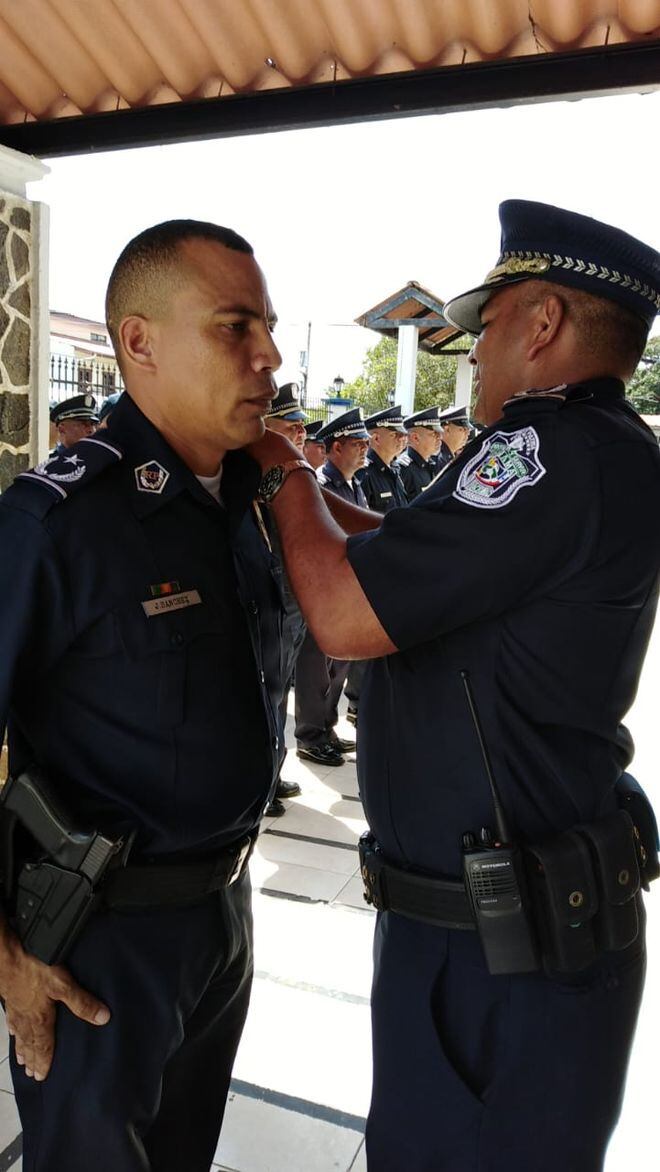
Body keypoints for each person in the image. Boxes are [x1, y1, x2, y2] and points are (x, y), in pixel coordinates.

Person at [245, 200, 660, 1171]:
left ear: (545, 321)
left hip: (499, 952)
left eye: (489, 322)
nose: (471, 350)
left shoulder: (546, 451)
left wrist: (278, 474)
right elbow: (406, 551)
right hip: (499, 926)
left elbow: (348, 616)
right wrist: (312, 486)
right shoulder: (593, 450)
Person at [0, 219, 285, 1172]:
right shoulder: (61, 521)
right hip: (98, 947)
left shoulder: (247, 500)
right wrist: (6, 957)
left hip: (221, 918)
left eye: (268, 326)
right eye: (234, 326)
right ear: (138, 342)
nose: (270, 354)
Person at [293, 407, 368, 766]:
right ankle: (310, 734)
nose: (365, 448)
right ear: (335, 448)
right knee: (315, 666)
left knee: (338, 666)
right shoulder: (321, 485)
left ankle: (327, 727)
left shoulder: (354, 485)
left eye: (367, 442)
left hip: (345, 589)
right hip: (322, 589)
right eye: (358, 443)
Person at [262, 382, 309, 814]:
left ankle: (273, 771)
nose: (300, 434)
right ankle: (263, 780)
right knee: (266, 690)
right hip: (268, 598)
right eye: (290, 426)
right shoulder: (255, 479)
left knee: (282, 690)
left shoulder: (294, 478)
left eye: (302, 428)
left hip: (291, 599)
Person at [346, 404, 408, 723]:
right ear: (377, 436)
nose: (403, 440)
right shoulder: (367, 475)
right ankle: (355, 702)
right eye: (396, 434)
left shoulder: (393, 472)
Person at [398, 405, 443, 500]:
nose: (440, 438)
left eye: (439, 433)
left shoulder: (430, 465)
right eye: (434, 434)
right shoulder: (404, 469)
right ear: (415, 438)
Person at [434, 404, 472, 471]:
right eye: (463, 429)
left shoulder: (449, 457)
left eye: (468, 430)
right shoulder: (439, 459)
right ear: (447, 429)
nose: (467, 434)